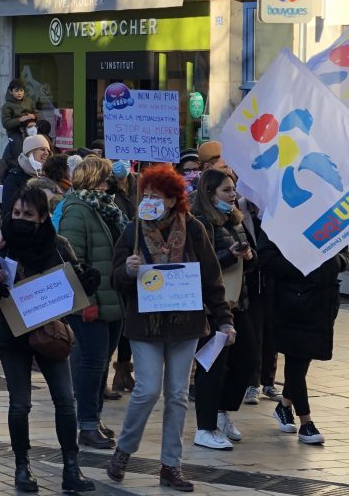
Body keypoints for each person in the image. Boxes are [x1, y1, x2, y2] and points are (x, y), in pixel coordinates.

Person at [106, 165, 234, 492]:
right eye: (146, 195)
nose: (151, 201)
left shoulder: (192, 229)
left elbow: (211, 277)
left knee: (177, 394)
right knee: (148, 389)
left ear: (173, 199)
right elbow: (115, 278)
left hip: (185, 323)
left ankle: (171, 464)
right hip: (145, 324)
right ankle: (124, 449)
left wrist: (224, 317)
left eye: (158, 197)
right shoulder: (133, 230)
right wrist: (127, 270)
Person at [0, 187, 96, 494]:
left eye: (28, 215)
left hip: (50, 334)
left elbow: (75, 280)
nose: (20, 220)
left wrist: (86, 280)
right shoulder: (1, 246)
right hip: (11, 333)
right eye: (16, 213)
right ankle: (22, 467)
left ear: (43, 216)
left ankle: (72, 467)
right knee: (20, 404)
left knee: (65, 400)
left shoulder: (58, 245)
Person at [259, 211, 348, 445]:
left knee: (305, 357)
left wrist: (333, 261)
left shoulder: (331, 217)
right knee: (297, 361)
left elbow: (344, 253)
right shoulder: (279, 219)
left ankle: (285, 405)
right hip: (290, 303)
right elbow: (267, 260)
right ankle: (306, 422)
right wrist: (305, 261)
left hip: (323, 302)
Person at [57, 156, 128, 450]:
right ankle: (86, 424)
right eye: (104, 179)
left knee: (101, 365)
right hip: (91, 303)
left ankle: (94, 419)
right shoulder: (77, 211)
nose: (108, 185)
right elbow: (75, 262)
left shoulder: (106, 209)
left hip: (113, 300)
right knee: (92, 363)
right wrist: (88, 302)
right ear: (91, 180)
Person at [189, 168, 259, 450]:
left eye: (233, 189)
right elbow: (201, 266)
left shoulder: (235, 220)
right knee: (212, 367)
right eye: (226, 190)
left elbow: (251, 264)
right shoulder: (201, 223)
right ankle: (205, 427)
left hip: (237, 303)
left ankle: (222, 412)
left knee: (247, 359)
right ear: (209, 194)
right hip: (212, 307)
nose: (233, 195)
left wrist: (248, 256)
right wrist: (228, 256)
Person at [3, 133, 50, 205]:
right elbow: (8, 209)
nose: (46, 153)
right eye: (42, 149)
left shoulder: (49, 174)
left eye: (48, 150)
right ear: (30, 152)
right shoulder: (14, 177)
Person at [0, 79, 38, 167]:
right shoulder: (7, 106)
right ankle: (18, 167)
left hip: (30, 128)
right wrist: (20, 120)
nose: (19, 93)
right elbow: (6, 123)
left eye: (21, 90)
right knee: (18, 150)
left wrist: (34, 117)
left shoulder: (29, 101)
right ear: (11, 91)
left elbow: (37, 113)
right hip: (15, 132)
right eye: (16, 91)